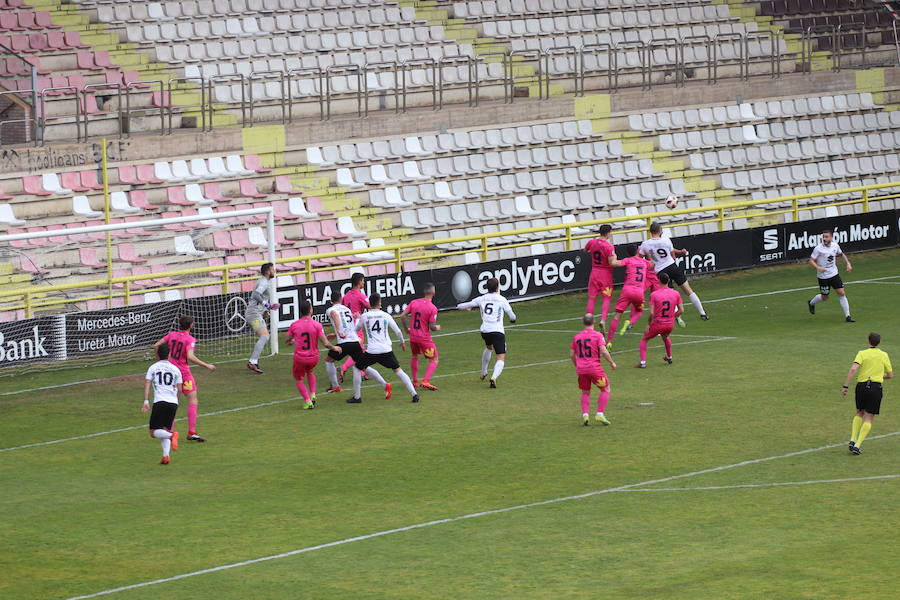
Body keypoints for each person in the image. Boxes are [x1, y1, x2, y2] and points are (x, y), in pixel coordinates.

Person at [348, 293, 420, 404]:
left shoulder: (365, 316)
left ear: (369, 304)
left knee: (357, 368)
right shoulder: (386, 315)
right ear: (380, 303)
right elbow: (398, 331)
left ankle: (357, 397)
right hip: (386, 350)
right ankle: (414, 394)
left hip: (371, 351)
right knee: (398, 370)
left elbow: (356, 328)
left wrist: (357, 318)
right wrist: (402, 342)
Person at [154, 316, 216, 442]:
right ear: (191, 325)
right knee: (192, 399)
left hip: (171, 373)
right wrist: (206, 365)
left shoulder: (171, 335)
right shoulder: (190, 339)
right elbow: (190, 356)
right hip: (183, 374)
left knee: (173, 401)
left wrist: (160, 361)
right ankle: (191, 432)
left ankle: (170, 432)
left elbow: (156, 345)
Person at [323, 284, 391, 398]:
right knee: (363, 366)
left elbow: (335, 315)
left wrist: (339, 331)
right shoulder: (347, 309)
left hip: (344, 342)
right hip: (354, 341)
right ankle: (385, 384)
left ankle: (335, 386)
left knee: (329, 360)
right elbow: (349, 326)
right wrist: (336, 334)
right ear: (341, 299)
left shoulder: (331, 309)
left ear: (331, 301)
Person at [639, 222, 708, 322]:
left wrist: (652, 258)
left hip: (660, 271)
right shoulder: (666, 240)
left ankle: (677, 315)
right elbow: (672, 255)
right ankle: (702, 312)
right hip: (672, 266)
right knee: (688, 290)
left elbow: (640, 258)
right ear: (660, 230)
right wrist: (679, 252)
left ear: (650, 231)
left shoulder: (645, 244)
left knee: (670, 294)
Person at [457, 277, 517, 388]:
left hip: (485, 331)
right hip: (497, 331)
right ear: (498, 287)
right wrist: (513, 320)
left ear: (486, 287)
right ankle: (493, 377)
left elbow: (465, 305)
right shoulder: (502, 299)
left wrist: (459, 306)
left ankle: (484, 371)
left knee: (489, 347)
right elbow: (512, 315)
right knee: (500, 357)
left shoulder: (482, 298)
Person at [842, 332, 892, 454]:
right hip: (875, 387)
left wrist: (845, 385)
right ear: (879, 342)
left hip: (861, 386)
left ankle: (853, 439)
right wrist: (878, 375)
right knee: (869, 417)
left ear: (868, 341)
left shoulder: (862, 353)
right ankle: (857, 446)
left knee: (859, 412)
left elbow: (854, 369)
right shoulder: (884, 355)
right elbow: (890, 375)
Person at [286, 299, 342, 410]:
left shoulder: (294, 325)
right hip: (313, 358)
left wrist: (292, 341)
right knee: (310, 371)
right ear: (311, 310)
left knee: (299, 379)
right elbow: (325, 343)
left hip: (300, 358)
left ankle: (308, 401)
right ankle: (313, 394)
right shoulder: (317, 325)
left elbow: (287, 341)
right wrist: (334, 347)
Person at [570, 314, 617, 426]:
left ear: (583, 323)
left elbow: (571, 354)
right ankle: (600, 414)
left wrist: (577, 365)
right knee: (606, 389)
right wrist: (612, 363)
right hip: (594, 369)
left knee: (585, 392)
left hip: (581, 370)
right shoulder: (597, 335)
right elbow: (604, 351)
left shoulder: (577, 337)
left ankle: (585, 415)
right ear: (594, 322)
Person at [142, 343, 182, 465]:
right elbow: (180, 389)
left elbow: (148, 384)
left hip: (160, 401)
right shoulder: (176, 369)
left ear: (158, 355)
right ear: (169, 355)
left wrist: (146, 401)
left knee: (153, 432)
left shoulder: (153, 368)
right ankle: (166, 456)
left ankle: (172, 436)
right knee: (165, 429)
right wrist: (176, 402)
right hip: (173, 403)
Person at [637, 272, 683, 369]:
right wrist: (672, 317)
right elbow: (681, 310)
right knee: (665, 337)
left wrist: (648, 324)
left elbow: (652, 313)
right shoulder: (676, 293)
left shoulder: (654, 295)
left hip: (658, 323)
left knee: (644, 339)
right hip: (670, 324)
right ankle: (669, 357)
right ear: (669, 281)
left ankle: (643, 362)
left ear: (658, 281)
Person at [399, 283, 441, 391]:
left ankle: (415, 381)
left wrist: (406, 329)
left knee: (414, 356)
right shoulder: (433, 308)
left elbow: (402, 316)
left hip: (413, 337)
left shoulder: (414, 302)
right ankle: (426, 381)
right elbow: (432, 327)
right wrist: (437, 327)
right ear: (433, 292)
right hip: (424, 339)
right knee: (434, 359)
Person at [808, 229, 854, 322]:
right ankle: (811, 303)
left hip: (834, 274)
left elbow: (841, 254)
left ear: (831, 238)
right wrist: (818, 267)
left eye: (826, 237)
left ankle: (848, 316)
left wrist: (848, 263)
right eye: (823, 237)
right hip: (823, 277)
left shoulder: (835, 245)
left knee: (841, 293)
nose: (824, 239)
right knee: (825, 297)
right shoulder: (818, 248)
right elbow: (811, 260)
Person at [608, 244, 650, 346]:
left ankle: (609, 341)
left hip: (627, 290)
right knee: (639, 311)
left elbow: (614, 264)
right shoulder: (645, 262)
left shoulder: (628, 260)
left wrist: (613, 256)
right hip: (639, 292)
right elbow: (654, 264)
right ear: (638, 250)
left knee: (617, 315)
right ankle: (630, 322)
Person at [584, 224, 622, 328]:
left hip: (594, 272)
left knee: (592, 298)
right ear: (608, 233)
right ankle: (603, 320)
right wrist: (618, 260)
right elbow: (611, 263)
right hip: (605, 274)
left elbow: (586, 250)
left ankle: (589, 321)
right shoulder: (609, 246)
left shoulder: (592, 242)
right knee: (606, 298)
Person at [246, 263, 280, 374]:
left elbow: (257, 298)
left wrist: (266, 310)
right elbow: (255, 295)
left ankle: (254, 361)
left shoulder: (263, 281)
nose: (274, 271)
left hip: (254, 313)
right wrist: (267, 305)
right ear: (267, 271)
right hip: (253, 314)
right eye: (272, 269)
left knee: (264, 336)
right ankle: (253, 361)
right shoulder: (264, 282)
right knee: (265, 336)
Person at [340, 272, 370, 378]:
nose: (364, 283)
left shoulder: (346, 295)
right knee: (360, 351)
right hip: (356, 327)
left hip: (348, 326)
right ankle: (343, 368)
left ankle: (363, 372)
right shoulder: (360, 295)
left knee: (361, 351)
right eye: (363, 281)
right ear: (359, 282)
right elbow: (371, 305)